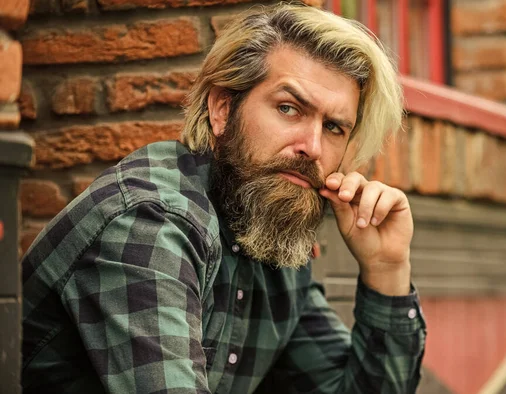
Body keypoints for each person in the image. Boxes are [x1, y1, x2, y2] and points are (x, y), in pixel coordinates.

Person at [21, 3, 426, 393]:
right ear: (221, 108)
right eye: (288, 108)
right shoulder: (151, 222)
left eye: (335, 127)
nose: (313, 147)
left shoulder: (268, 235)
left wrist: (386, 269)